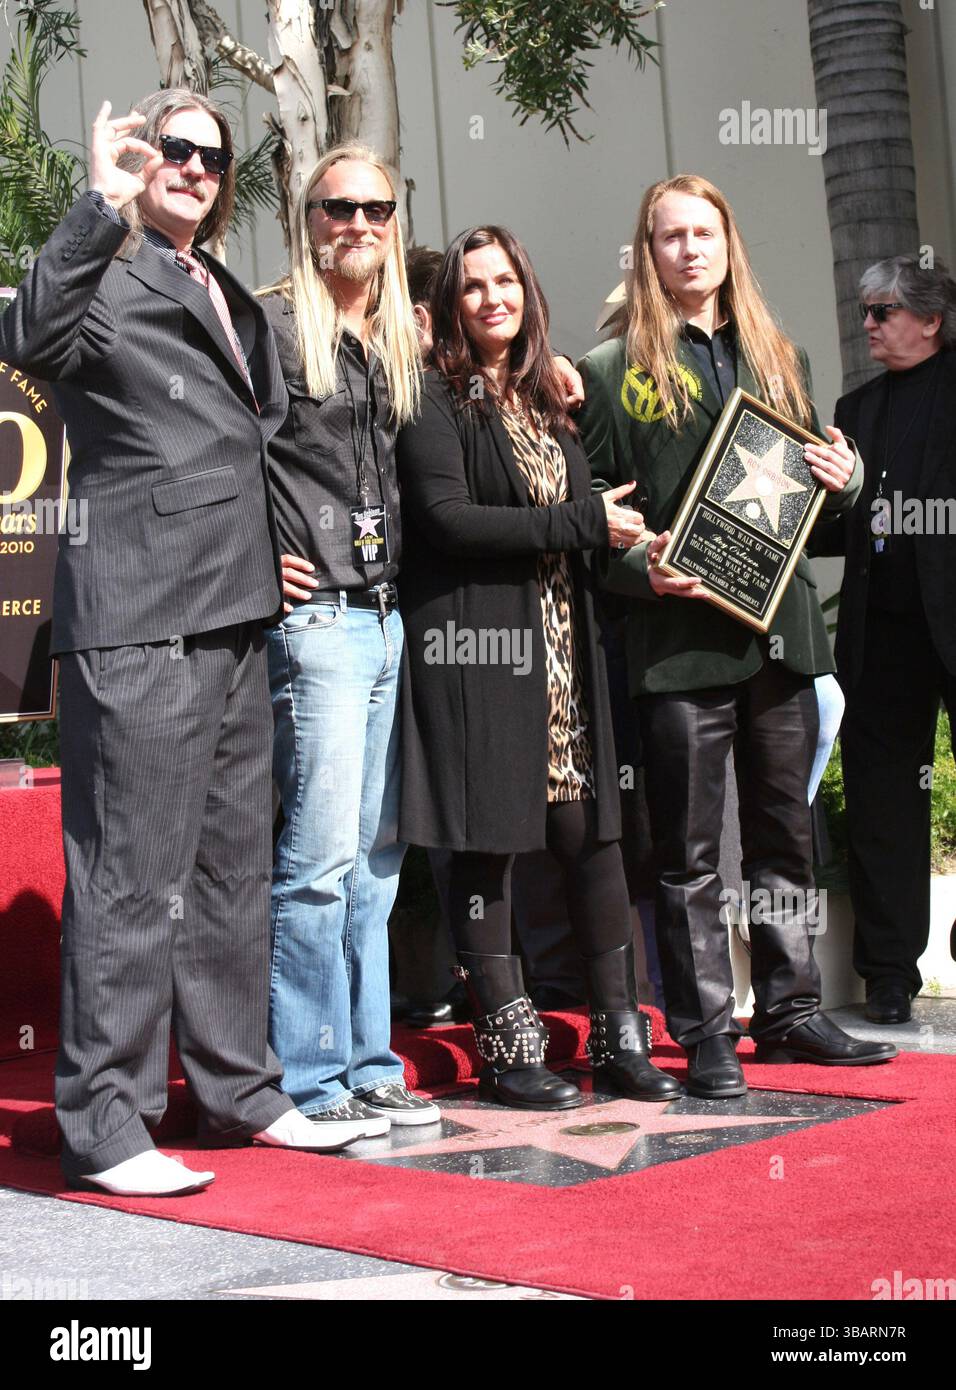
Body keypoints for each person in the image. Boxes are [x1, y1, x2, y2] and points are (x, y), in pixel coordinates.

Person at [0, 91, 365, 1197]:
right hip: (139, 616)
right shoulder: (105, 266)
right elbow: (27, 336)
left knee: (225, 871)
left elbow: (247, 447)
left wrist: (278, 551)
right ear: (138, 157)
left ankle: (236, 1089)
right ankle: (106, 1124)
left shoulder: (226, 293)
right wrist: (97, 206)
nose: (194, 167)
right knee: (127, 879)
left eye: (212, 155)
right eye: (173, 149)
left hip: (237, 614)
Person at [577, 174, 897, 1099]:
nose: (688, 249)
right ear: (650, 251)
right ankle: (707, 1031)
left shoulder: (781, 357)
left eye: (703, 232)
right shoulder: (609, 372)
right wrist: (644, 569)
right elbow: (592, 526)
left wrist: (849, 481)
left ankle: (793, 1013)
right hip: (677, 644)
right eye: (669, 235)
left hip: (783, 640)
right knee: (686, 856)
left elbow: (820, 526)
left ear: (729, 243)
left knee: (786, 840)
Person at [396, 225, 680, 1110]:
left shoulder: (553, 401)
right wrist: (587, 521)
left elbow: (590, 527)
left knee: (591, 844)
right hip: (480, 655)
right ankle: (511, 1048)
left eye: (505, 282)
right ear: (451, 303)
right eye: (473, 286)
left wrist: (641, 562)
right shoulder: (434, 398)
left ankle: (619, 1038)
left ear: (529, 292)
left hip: (568, 651)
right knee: (487, 850)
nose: (492, 299)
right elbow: (448, 520)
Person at [258, 146, 442, 1132]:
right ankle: (310, 1080)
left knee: (376, 859)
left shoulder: (392, 335)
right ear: (308, 215)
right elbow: (216, 449)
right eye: (339, 208)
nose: (359, 224)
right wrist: (254, 556)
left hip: (383, 621)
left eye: (376, 208)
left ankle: (369, 1061)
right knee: (319, 859)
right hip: (317, 622)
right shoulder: (273, 321)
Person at [823, 255, 956, 1024]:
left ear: (931, 319)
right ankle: (889, 976)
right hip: (883, 634)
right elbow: (843, 521)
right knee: (881, 804)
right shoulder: (857, 407)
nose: (868, 323)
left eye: (884, 311)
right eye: (867, 311)